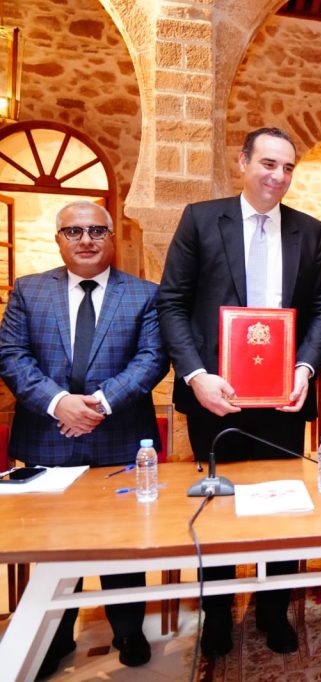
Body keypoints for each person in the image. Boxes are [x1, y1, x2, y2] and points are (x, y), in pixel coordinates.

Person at [156, 127, 321, 657]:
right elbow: (172, 302)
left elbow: (320, 310)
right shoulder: (201, 219)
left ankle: (273, 610)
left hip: (283, 400)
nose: (278, 176)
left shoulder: (309, 230)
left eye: (288, 168)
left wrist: (305, 368)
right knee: (218, 509)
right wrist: (195, 375)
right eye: (268, 164)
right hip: (216, 397)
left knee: (283, 511)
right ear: (242, 162)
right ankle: (217, 615)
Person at [0, 201, 168, 677]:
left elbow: (152, 359)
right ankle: (55, 637)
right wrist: (59, 403)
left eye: (96, 230)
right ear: (59, 239)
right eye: (73, 231)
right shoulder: (29, 291)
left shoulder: (144, 295)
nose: (86, 240)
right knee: (53, 546)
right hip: (47, 436)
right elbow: (11, 355)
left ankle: (128, 630)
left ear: (111, 237)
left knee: (124, 545)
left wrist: (98, 405)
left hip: (120, 438)